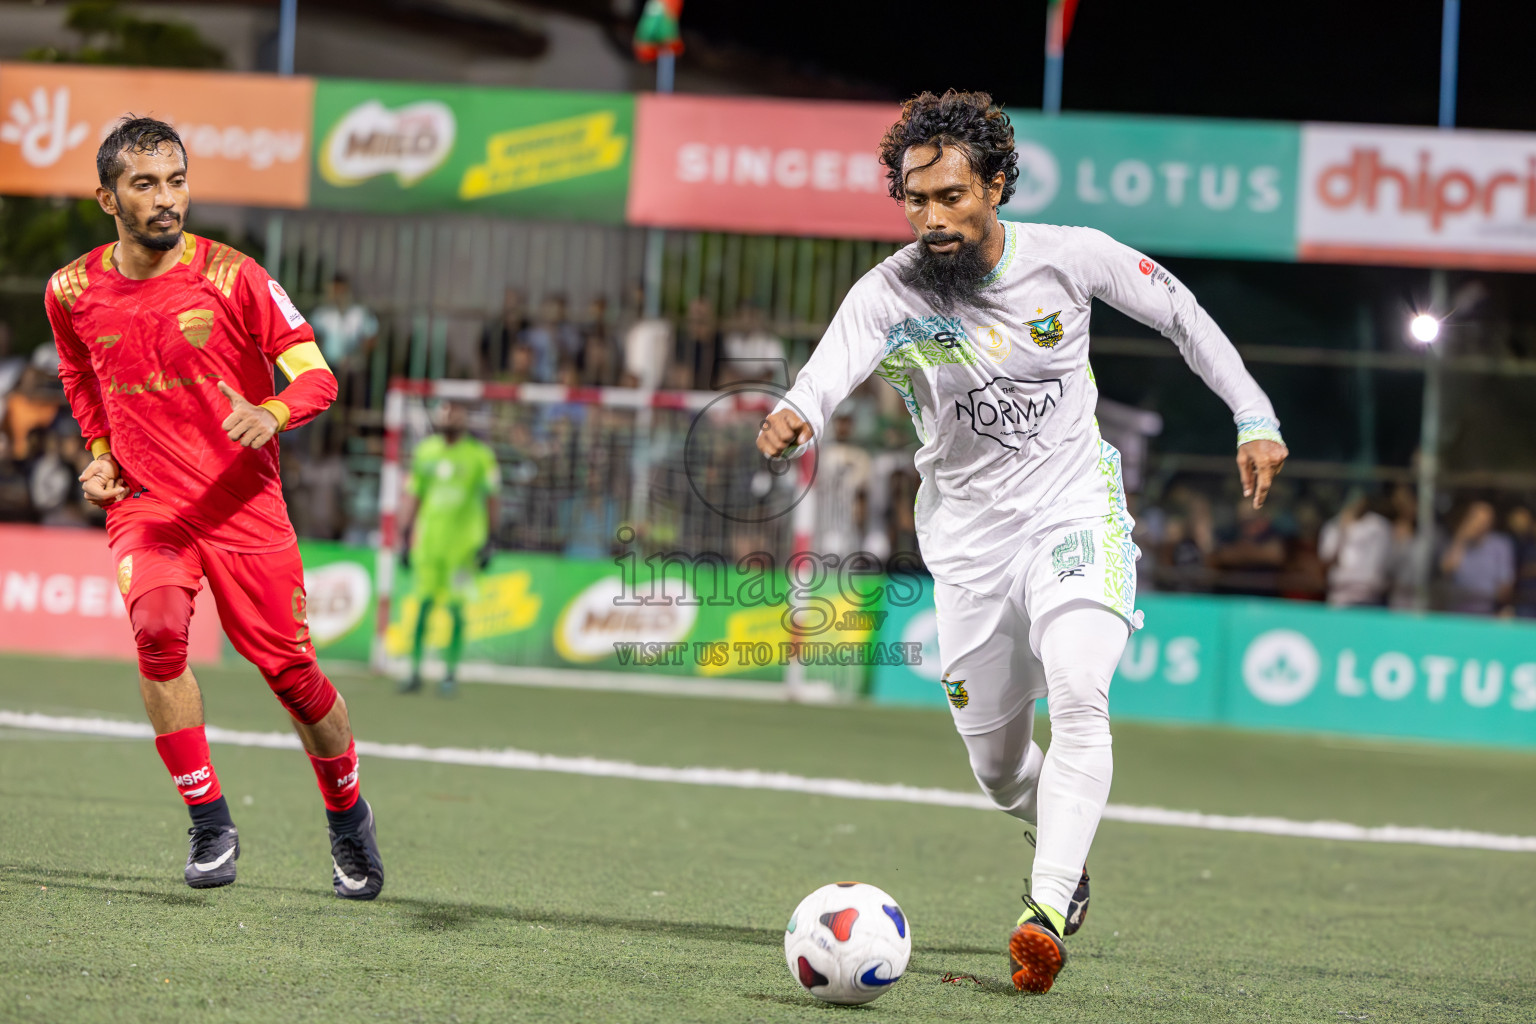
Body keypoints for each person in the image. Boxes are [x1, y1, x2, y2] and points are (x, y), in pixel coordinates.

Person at [756, 91, 1287, 994]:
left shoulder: (1071, 257)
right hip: (964, 544)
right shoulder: (889, 293)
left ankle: (1042, 913)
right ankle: (1060, 847)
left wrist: (1253, 414)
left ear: (997, 184)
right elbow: (828, 368)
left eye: (952, 197)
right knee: (998, 770)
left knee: (1081, 689)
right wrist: (796, 412)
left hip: (1073, 512)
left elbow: (1182, 313)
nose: (933, 220)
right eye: (916, 202)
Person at [50, 117, 384, 899]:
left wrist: (272, 412)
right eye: (145, 184)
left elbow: (316, 375)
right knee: (159, 635)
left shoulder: (235, 277)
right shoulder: (69, 292)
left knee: (292, 673)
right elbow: (81, 380)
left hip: (244, 508)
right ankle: (209, 820)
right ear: (108, 198)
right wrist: (99, 457)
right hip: (149, 506)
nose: (167, 199)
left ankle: (347, 819)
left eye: (175, 180)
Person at [397, 400, 500, 696]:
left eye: (456, 410)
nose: (449, 415)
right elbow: (414, 496)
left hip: (463, 549)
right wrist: (405, 535)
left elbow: (492, 498)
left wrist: (492, 539)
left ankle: (450, 673)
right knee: (423, 606)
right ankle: (414, 670)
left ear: (465, 416)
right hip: (429, 546)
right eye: (445, 410)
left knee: (456, 609)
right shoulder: (426, 452)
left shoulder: (480, 456)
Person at [309, 271, 379, 409]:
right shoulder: (322, 314)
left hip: (353, 368)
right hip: (328, 367)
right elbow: (310, 338)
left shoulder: (359, 314)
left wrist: (358, 354)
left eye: (339, 290)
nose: (336, 294)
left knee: (354, 405)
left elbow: (371, 337)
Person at [1318, 488, 1392, 606]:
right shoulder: (1334, 526)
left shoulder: (1379, 526)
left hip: (1370, 596)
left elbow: (1387, 562)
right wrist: (1342, 531)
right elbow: (1326, 561)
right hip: (1340, 594)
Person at [1440, 500, 1514, 615]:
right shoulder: (1458, 542)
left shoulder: (1500, 544)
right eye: (1475, 518)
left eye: (1484, 520)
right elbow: (1447, 569)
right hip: (1457, 612)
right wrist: (1461, 537)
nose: (1479, 524)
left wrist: (1499, 606)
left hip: (1488, 612)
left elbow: (1505, 586)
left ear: (1491, 522)